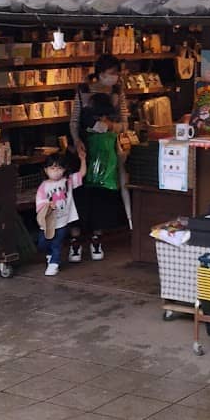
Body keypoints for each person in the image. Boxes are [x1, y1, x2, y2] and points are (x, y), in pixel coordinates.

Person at [67, 54, 129, 263]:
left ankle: (97, 239)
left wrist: (111, 126)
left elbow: (125, 123)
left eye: (116, 73)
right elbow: (74, 120)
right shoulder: (83, 90)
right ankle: (75, 242)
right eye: (112, 73)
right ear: (100, 73)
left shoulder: (118, 92)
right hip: (85, 150)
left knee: (102, 196)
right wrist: (77, 142)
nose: (115, 77)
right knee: (80, 195)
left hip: (107, 150)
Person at [34, 147, 86, 277]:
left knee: (57, 242)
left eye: (59, 168)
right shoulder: (43, 186)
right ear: (46, 170)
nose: (56, 172)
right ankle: (50, 255)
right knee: (42, 243)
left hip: (63, 221)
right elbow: (39, 203)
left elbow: (82, 174)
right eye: (52, 168)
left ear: (64, 170)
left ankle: (54, 264)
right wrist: (47, 205)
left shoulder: (67, 182)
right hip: (48, 222)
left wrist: (83, 159)